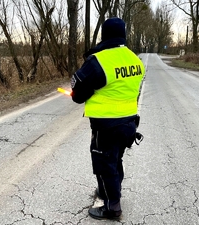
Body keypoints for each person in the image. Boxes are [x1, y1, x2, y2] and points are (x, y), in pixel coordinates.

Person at [70, 17, 145, 220]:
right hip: (129, 123)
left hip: (106, 125)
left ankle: (112, 208)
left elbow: (77, 94)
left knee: (105, 165)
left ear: (104, 35)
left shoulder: (99, 61)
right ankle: (108, 193)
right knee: (116, 160)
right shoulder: (135, 60)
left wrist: (82, 93)